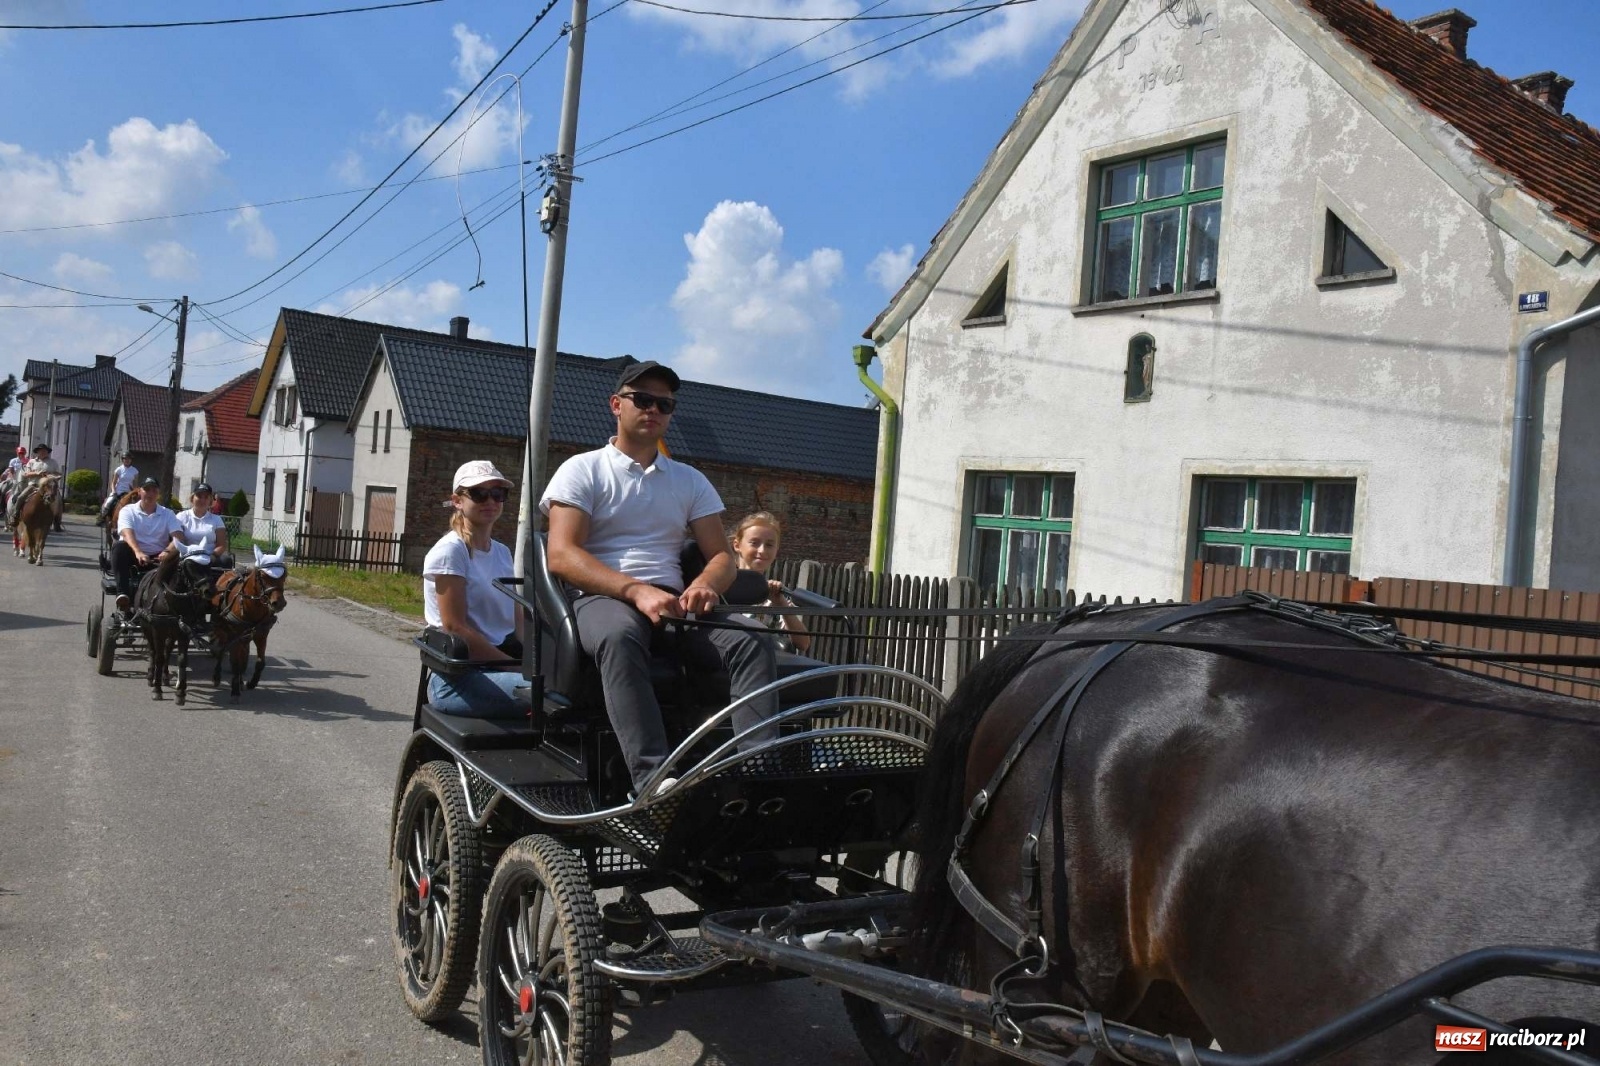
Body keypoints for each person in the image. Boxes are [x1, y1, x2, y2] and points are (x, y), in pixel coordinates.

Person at [541, 360, 779, 794]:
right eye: (643, 399)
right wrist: (634, 590)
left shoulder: (689, 480)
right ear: (616, 405)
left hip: (673, 601)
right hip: (602, 597)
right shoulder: (582, 469)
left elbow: (721, 557)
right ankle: (651, 778)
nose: (654, 409)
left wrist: (706, 584)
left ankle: (758, 772)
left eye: (664, 404)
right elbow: (561, 555)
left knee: (753, 640)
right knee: (618, 636)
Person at [423, 461, 525, 717]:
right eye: (479, 493)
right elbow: (455, 627)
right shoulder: (451, 551)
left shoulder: (502, 552)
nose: (490, 500)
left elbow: (518, 621)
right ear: (457, 500)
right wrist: (513, 667)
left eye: (498, 493)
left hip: (497, 664)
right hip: (459, 678)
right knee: (546, 696)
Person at [731, 512, 811, 654]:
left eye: (769, 545)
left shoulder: (774, 595)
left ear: (776, 550)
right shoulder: (723, 586)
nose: (762, 551)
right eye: (754, 543)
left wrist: (781, 605)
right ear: (737, 545)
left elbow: (803, 643)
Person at [112, 477, 184, 614]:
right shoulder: (128, 510)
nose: (150, 494)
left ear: (158, 494)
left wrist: (168, 551)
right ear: (139, 491)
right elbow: (127, 533)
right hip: (133, 556)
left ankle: (176, 604)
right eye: (146, 489)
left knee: (180, 556)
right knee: (119, 547)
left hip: (159, 558)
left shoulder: (167, 513)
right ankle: (123, 595)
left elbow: (178, 536)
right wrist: (138, 552)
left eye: (154, 490)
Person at [176, 483, 231, 569]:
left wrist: (211, 556)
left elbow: (222, 545)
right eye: (199, 496)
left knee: (226, 560)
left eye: (206, 497)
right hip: (187, 556)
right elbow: (176, 541)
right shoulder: (182, 517)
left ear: (210, 501)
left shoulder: (217, 520)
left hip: (209, 557)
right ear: (192, 498)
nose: (202, 500)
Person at [7, 443, 61, 528]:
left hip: (48, 486)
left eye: (44, 451)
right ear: (37, 452)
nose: (43, 452)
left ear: (47, 452)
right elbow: (26, 474)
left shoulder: (53, 462)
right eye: (40, 451)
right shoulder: (32, 462)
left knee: (58, 500)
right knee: (21, 497)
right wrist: (37, 473)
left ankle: (57, 521)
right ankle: (15, 516)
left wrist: (50, 474)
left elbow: (58, 473)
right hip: (34, 485)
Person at [100, 452, 139, 525]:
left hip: (129, 493)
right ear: (122, 460)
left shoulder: (135, 471)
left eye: (128, 459)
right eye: (125, 459)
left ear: (131, 460)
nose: (127, 460)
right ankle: (103, 517)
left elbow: (135, 484)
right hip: (119, 491)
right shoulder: (119, 469)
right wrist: (114, 491)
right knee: (109, 502)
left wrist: (135, 492)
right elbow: (113, 483)